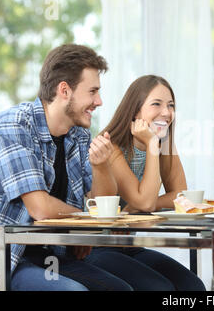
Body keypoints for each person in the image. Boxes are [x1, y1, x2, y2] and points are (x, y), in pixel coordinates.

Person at [0, 44, 133, 291]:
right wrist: (80, 224)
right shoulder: (13, 126)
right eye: (92, 91)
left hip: (53, 255)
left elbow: (104, 207)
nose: (99, 101)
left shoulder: (79, 135)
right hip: (6, 259)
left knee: (120, 289)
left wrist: (101, 166)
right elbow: (40, 208)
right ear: (64, 90)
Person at [84, 75, 206, 291]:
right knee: (159, 288)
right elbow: (145, 202)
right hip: (95, 249)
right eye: (156, 104)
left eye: (171, 105)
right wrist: (151, 143)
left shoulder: (164, 142)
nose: (167, 113)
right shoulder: (110, 146)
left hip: (127, 245)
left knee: (193, 286)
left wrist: (134, 209)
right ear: (135, 111)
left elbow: (181, 197)